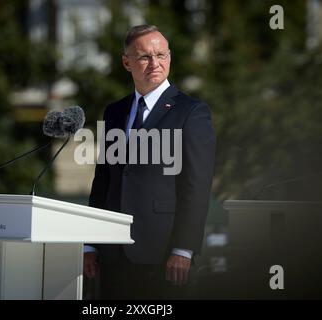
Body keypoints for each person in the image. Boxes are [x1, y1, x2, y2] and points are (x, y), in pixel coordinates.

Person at [84, 24, 216, 299]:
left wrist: (184, 248)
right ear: (126, 62)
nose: (155, 63)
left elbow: (197, 185)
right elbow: (104, 180)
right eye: (145, 57)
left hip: (163, 253)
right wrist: (91, 244)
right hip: (114, 253)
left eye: (162, 55)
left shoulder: (191, 112)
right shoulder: (114, 112)